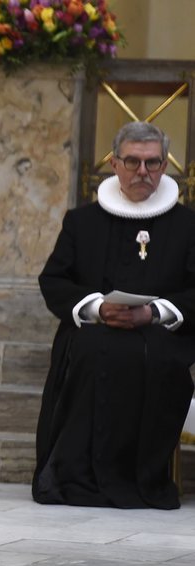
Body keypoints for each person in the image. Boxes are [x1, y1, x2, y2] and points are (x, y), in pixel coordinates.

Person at [35, 121, 195, 509]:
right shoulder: (82, 221)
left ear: (164, 166)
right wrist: (97, 307)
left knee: (154, 357)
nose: (143, 172)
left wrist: (155, 312)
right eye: (133, 162)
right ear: (114, 164)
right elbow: (54, 279)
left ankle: (145, 479)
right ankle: (76, 477)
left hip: (161, 336)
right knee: (90, 351)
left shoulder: (189, 225)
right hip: (93, 331)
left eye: (153, 163)